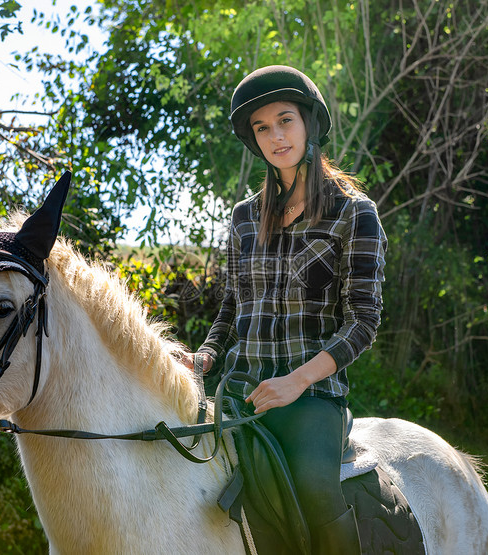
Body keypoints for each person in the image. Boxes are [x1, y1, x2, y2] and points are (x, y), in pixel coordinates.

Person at [185, 65, 387, 554]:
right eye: (262, 128)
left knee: (317, 492)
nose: (276, 136)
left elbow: (363, 321)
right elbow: (232, 307)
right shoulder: (243, 218)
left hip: (312, 399)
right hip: (239, 391)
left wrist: (297, 380)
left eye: (285, 120)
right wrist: (206, 356)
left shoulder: (354, 213)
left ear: (309, 124)